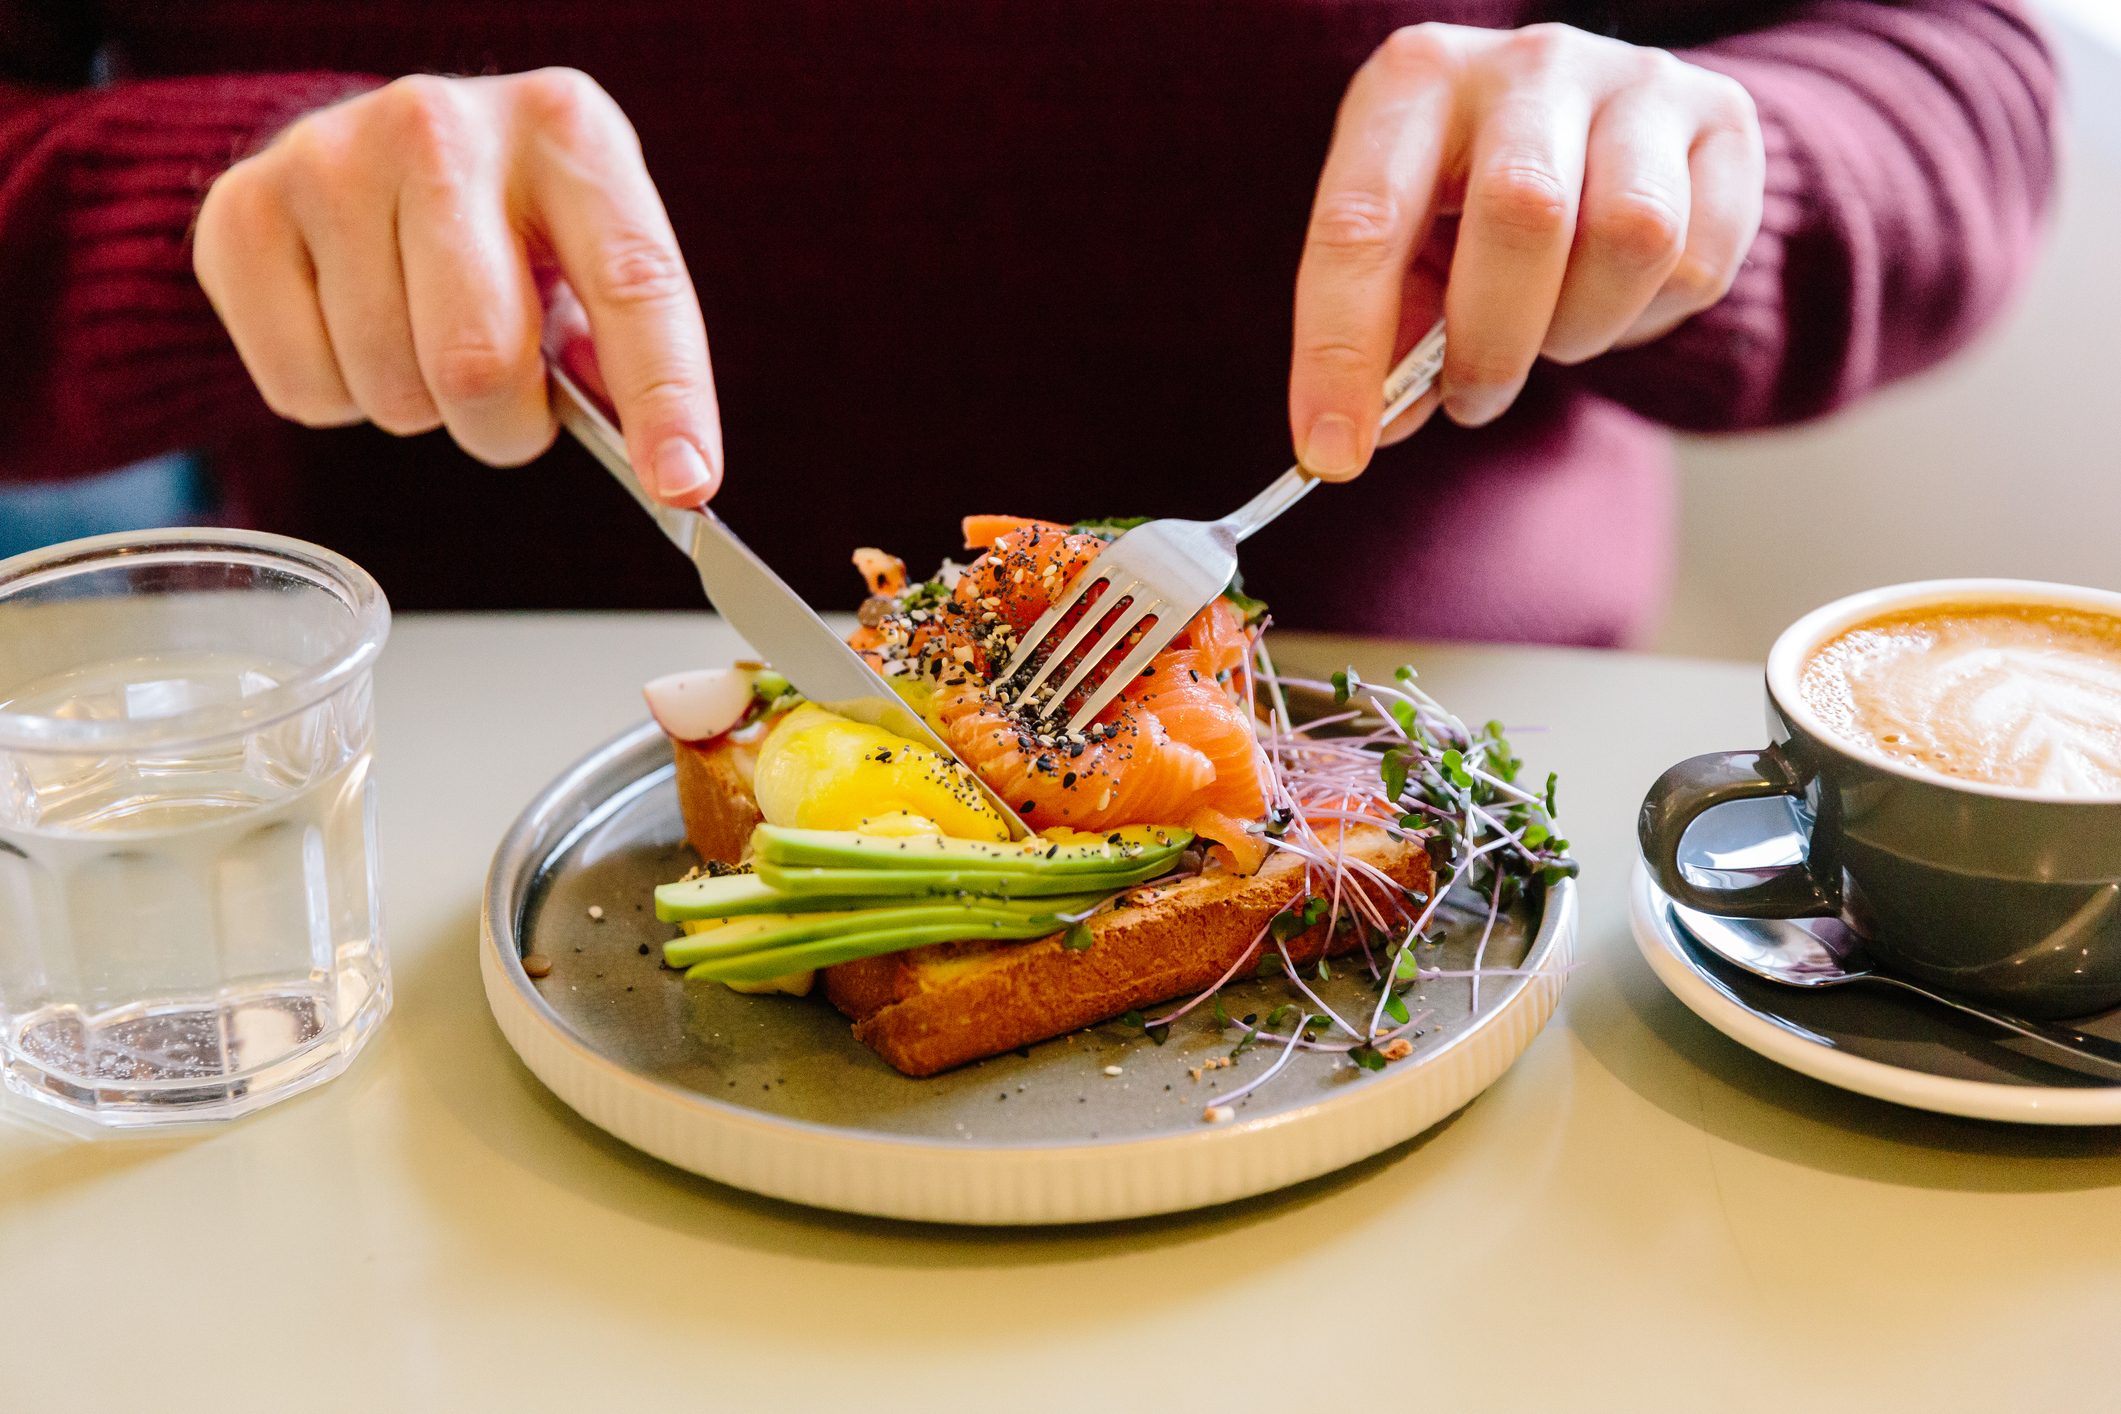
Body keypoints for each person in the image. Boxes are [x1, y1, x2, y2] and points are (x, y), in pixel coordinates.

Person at [0, 2, 2055, 644]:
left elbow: (1957, 77)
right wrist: (188, 215)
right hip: (425, 901)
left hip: (1473, 934)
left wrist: (1698, 180)